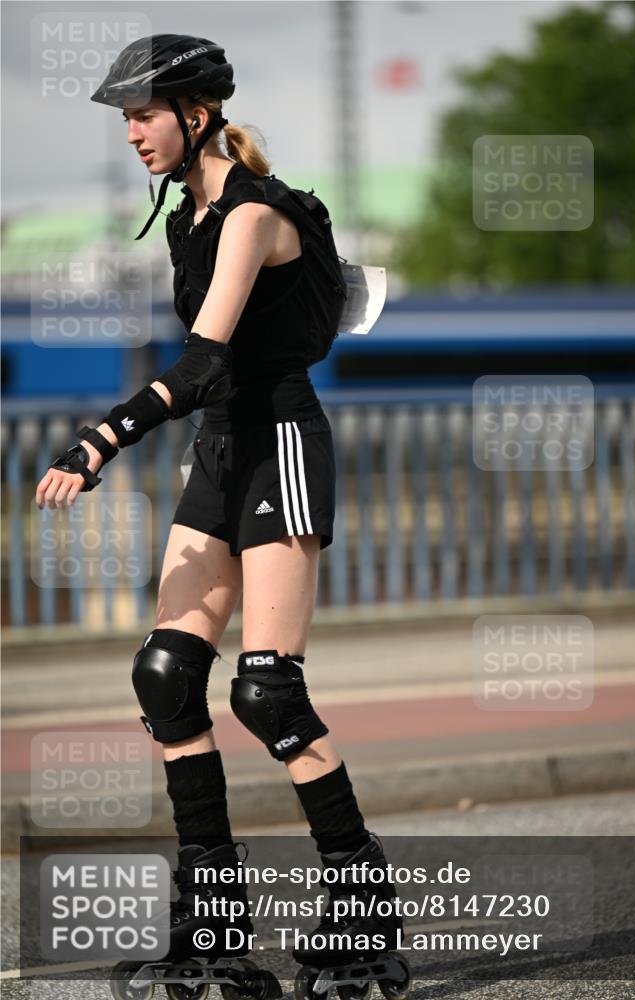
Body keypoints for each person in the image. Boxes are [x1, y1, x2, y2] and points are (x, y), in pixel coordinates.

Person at [35, 34, 408, 997]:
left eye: (142, 116)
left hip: (279, 438)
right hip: (220, 454)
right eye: (125, 119)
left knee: (267, 694)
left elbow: (202, 366)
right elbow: (206, 385)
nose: (132, 135)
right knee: (166, 677)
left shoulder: (250, 212)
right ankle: (215, 929)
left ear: (194, 115)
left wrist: (97, 441)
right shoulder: (186, 219)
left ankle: (363, 915)